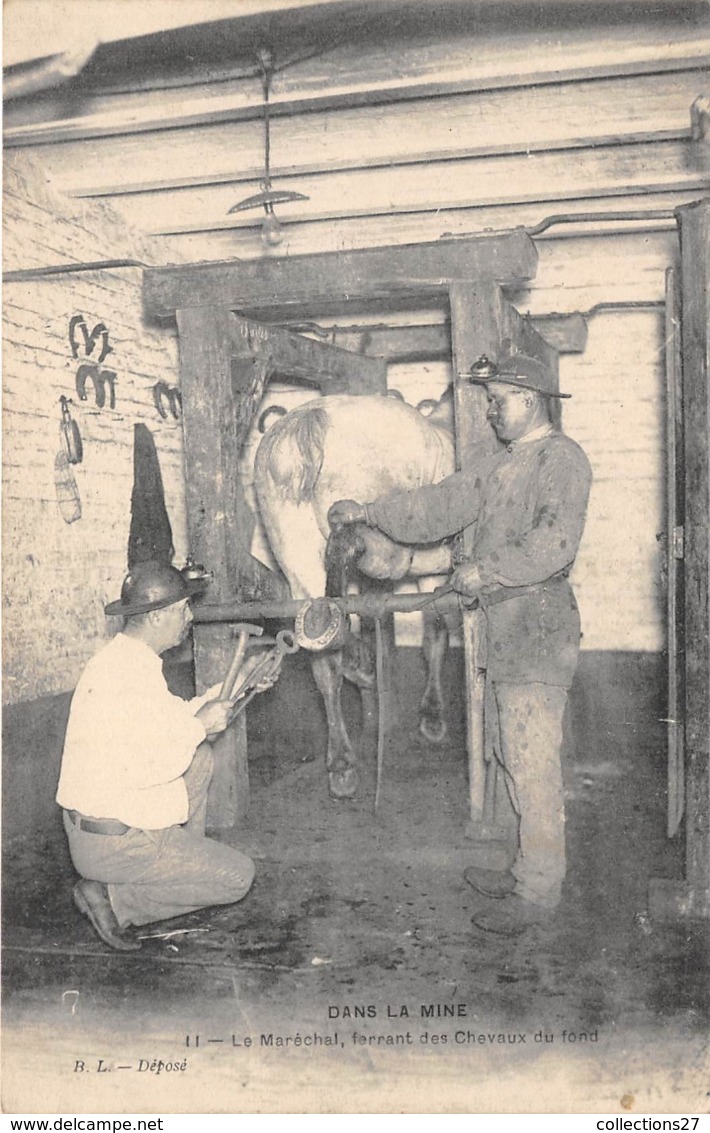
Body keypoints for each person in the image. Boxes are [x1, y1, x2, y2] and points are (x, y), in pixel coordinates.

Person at [328, 354, 592, 936]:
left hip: (537, 626)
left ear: (532, 398)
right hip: (504, 629)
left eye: (499, 398)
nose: (491, 408)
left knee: (531, 763)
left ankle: (539, 892)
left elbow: (554, 543)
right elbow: (440, 504)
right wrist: (371, 513)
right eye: (489, 398)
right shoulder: (500, 466)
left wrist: (483, 571)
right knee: (510, 752)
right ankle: (526, 868)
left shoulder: (561, 460)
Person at [56, 560, 280, 951]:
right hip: (115, 843)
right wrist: (200, 726)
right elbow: (147, 764)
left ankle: (178, 863)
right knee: (237, 877)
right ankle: (112, 900)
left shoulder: (127, 661)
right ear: (158, 617)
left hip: (105, 823)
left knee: (200, 759)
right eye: (182, 609)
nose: (189, 617)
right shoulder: (126, 675)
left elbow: (176, 718)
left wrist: (245, 677)